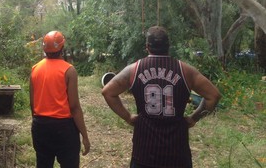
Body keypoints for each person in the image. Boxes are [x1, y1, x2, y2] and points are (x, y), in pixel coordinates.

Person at [102, 26, 221, 168]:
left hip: (144, 150)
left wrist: (128, 117)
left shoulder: (134, 69)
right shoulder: (186, 71)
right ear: (168, 46)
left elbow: (108, 92)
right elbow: (214, 95)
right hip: (177, 151)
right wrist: (193, 118)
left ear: (147, 47)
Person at [30, 30, 90, 168]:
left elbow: (32, 104)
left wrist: (38, 124)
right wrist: (85, 136)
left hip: (40, 126)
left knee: (43, 164)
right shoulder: (69, 70)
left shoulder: (35, 69)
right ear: (62, 47)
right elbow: (74, 107)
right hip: (64, 128)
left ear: (44, 48)